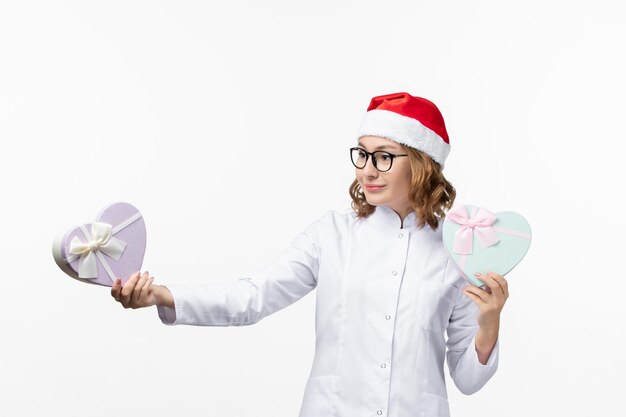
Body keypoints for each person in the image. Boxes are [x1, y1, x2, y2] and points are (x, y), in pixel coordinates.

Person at [111, 92, 508, 417]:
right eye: (362, 154)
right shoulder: (331, 235)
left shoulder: (457, 252)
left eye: (384, 156)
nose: (367, 170)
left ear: (422, 164)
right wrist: (161, 295)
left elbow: (468, 380)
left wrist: (489, 322)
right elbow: (253, 297)